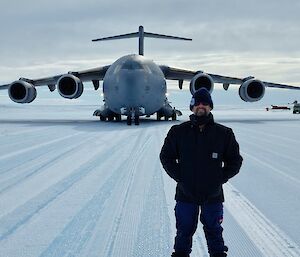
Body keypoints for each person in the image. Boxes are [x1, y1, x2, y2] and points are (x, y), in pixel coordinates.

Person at [160, 88, 243, 257]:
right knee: (183, 232)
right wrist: (181, 177)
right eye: (197, 103)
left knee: (214, 232)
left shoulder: (224, 133)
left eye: (205, 103)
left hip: (212, 195)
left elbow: (235, 161)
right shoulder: (178, 132)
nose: (201, 106)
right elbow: (166, 157)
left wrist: (218, 178)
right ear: (192, 107)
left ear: (210, 107)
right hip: (185, 194)